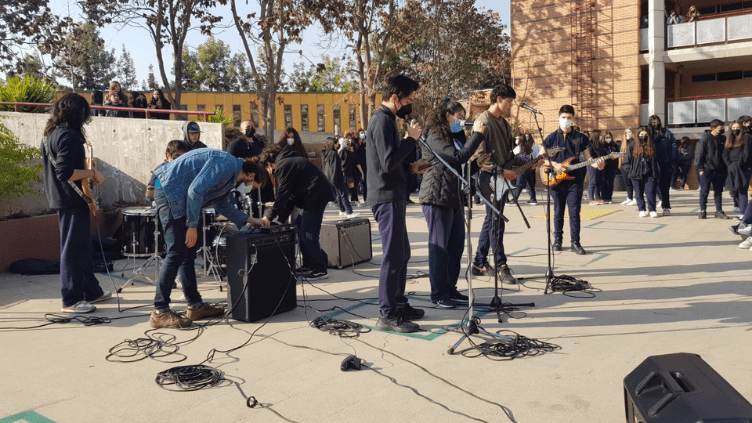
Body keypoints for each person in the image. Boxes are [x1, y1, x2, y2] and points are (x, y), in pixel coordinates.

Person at [150, 149, 268, 328]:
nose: (249, 190)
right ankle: (160, 311)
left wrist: (250, 220)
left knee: (188, 253)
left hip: (180, 196)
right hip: (168, 192)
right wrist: (192, 225)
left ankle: (195, 306)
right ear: (250, 175)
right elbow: (195, 190)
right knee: (176, 252)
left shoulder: (230, 176)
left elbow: (222, 205)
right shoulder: (227, 164)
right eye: (253, 186)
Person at [366, 74, 428, 333]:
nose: (410, 104)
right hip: (385, 196)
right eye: (408, 99)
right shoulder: (381, 121)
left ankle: (399, 303)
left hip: (394, 193)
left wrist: (411, 166)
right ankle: (387, 314)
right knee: (392, 256)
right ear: (395, 98)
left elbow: (391, 162)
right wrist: (411, 139)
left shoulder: (388, 120)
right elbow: (388, 161)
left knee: (403, 253)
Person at [40, 93, 111, 313]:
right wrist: (92, 172)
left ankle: (91, 291)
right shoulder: (69, 136)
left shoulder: (50, 134)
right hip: (72, 199)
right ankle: (70, 299)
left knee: (82, 248)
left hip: (63, 198)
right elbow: (65, 172)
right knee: (72, 250)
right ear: (77, 113)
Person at [419, 99, 486, 308]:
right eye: (459, 117)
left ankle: (450, 288)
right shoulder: (434, 135)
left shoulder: (454, 136)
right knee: (440, 247)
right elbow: (456, 157)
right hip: (437, 196)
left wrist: (477, 164)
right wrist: (476, 136)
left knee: (456, 245)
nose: (462, 121)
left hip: (454, 196)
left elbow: (461, 168)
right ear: (448, 115)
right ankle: (438, 293)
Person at [260, 145, 334, 280]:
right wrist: (280, 219)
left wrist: (268, 216)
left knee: (308, 233)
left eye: (267, 169)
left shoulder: (284, 165)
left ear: (269, 164)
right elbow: (290, 197)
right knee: (299, 228)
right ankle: (308, 265)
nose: (269, 172)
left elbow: (282, 195)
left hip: (314, 197)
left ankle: (320, 269)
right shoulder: (289, 161)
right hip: (311, 197)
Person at [470, 84, 522, 279]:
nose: (510, 106)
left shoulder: (504, 124)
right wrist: (502, 171)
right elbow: (480, 157)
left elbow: (508, 155)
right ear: (499, 98)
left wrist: (530, 162)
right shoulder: (483, 121)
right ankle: (501, 264)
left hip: (502, 176)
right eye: (509, 101)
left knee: (491, 219)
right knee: (496, 221)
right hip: (488, 177)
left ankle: (479, 262)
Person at [540, 105, 604, 255]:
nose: (566, 120)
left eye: (569, 118)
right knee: (558, 212)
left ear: (573, 119)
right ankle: (557, 240)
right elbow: (541, 159)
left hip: (575, 180)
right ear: (558, 118)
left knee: (575, 212)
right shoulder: (551, 138)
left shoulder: (580, 138)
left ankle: (575, 242)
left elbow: (589, 158)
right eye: (563, 117)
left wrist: (598, 164)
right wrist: (554, 164)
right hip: (556, 179)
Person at [695, 119, 729, 219]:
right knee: (704, 191)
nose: (722, 129)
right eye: (720, 128)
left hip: (720, 170)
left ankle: (719, 211)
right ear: (713, 128)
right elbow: (699, 154)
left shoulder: (723, 138)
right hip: (707, 170)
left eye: (723, 128)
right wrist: (700, 169)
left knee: (718, 191)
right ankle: (703, 210)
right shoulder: (705, 139)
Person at [623, 127, 660, 218]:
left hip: (650, 173)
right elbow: (626, 162)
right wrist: (631, 171)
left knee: (650, 192)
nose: (643, 137)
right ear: (638, 135)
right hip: (636, 174)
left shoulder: (652, 146)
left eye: (646, 135)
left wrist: (657, 171)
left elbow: (657, 160)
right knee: (638, 193)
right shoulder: (632, 146)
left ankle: (652, 209)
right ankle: (641, 209)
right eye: (641, 135)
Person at [322, 137, 357, 218]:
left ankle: (342, 210)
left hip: (331, 178)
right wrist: (335, 179)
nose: (338, 144)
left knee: (339, 195)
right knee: (344, 194)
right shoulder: (334, 154)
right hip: (336, 178)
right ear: (332, 144)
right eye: (336, 142)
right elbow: (334, 168)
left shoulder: (327, 154)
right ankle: (349, 212)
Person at [724, 120, 752, 225]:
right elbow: (725, 153)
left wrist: (738, 164)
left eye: (737, 127)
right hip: (732, 168)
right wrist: (730, 165)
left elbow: (746, 154)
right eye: (733, 128)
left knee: (742, 190)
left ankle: (744, 214)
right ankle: (742, 211)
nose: (736, 129)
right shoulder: (730, 139)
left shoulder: (746, 138)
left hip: (743, 168)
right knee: (734, 190)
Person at [648, 115, 677, 216]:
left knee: (665, 187)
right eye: (653, 122)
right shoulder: (648, 133)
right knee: (651, 188)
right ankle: (651, 209)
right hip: (652, 164)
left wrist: (673, 161)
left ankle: (666, 206)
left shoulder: (666, 132)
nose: (656, 124)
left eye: (657, 122)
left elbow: (673, 147)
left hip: (665, 163)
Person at [510, 134, 538, 205]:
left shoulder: (519, 147)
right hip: (530, 166)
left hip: (522, 167)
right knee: (530, 184)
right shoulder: (528, 146)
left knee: (519, 184)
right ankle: (533, 199)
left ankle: (514, 199)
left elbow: (513, 155)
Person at [600, 131, 619, 204]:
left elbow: (618, 153)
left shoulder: (615, 145)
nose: (608, 139)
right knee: (604, 182)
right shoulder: (602, 146)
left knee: (610, 182)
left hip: (612, 166)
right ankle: (603, 197)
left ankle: (609, 197)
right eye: (607, 138)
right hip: (604, 166)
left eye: (609, 137)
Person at [619, 128, 637, 205]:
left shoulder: (634, 143)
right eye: (626, 133)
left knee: (634, 183)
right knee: (627, 183)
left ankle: (636, 198)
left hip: (633, 165)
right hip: (624, 165)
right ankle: (629, 197)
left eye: (630, 132)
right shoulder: (622, 144)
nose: (628, 134)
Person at [587, 129, 605, 205]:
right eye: (600, 135)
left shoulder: (600, 145)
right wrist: (594, 163)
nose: (602, 136)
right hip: (593, 165)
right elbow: (589, 156)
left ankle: (598, 197)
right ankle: (591, 198)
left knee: (599, 181)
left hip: (600, 164)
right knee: (593, 182)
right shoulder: (589, 144)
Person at [357, 128, 368, 203]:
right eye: (361, 133)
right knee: (363, 183)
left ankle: (367, 197)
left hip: (367, 164)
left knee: (367, 183)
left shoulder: (366, 141)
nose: (362, 134)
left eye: (363, 132)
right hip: (360, 165)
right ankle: (364, 197)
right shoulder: (357, 143)